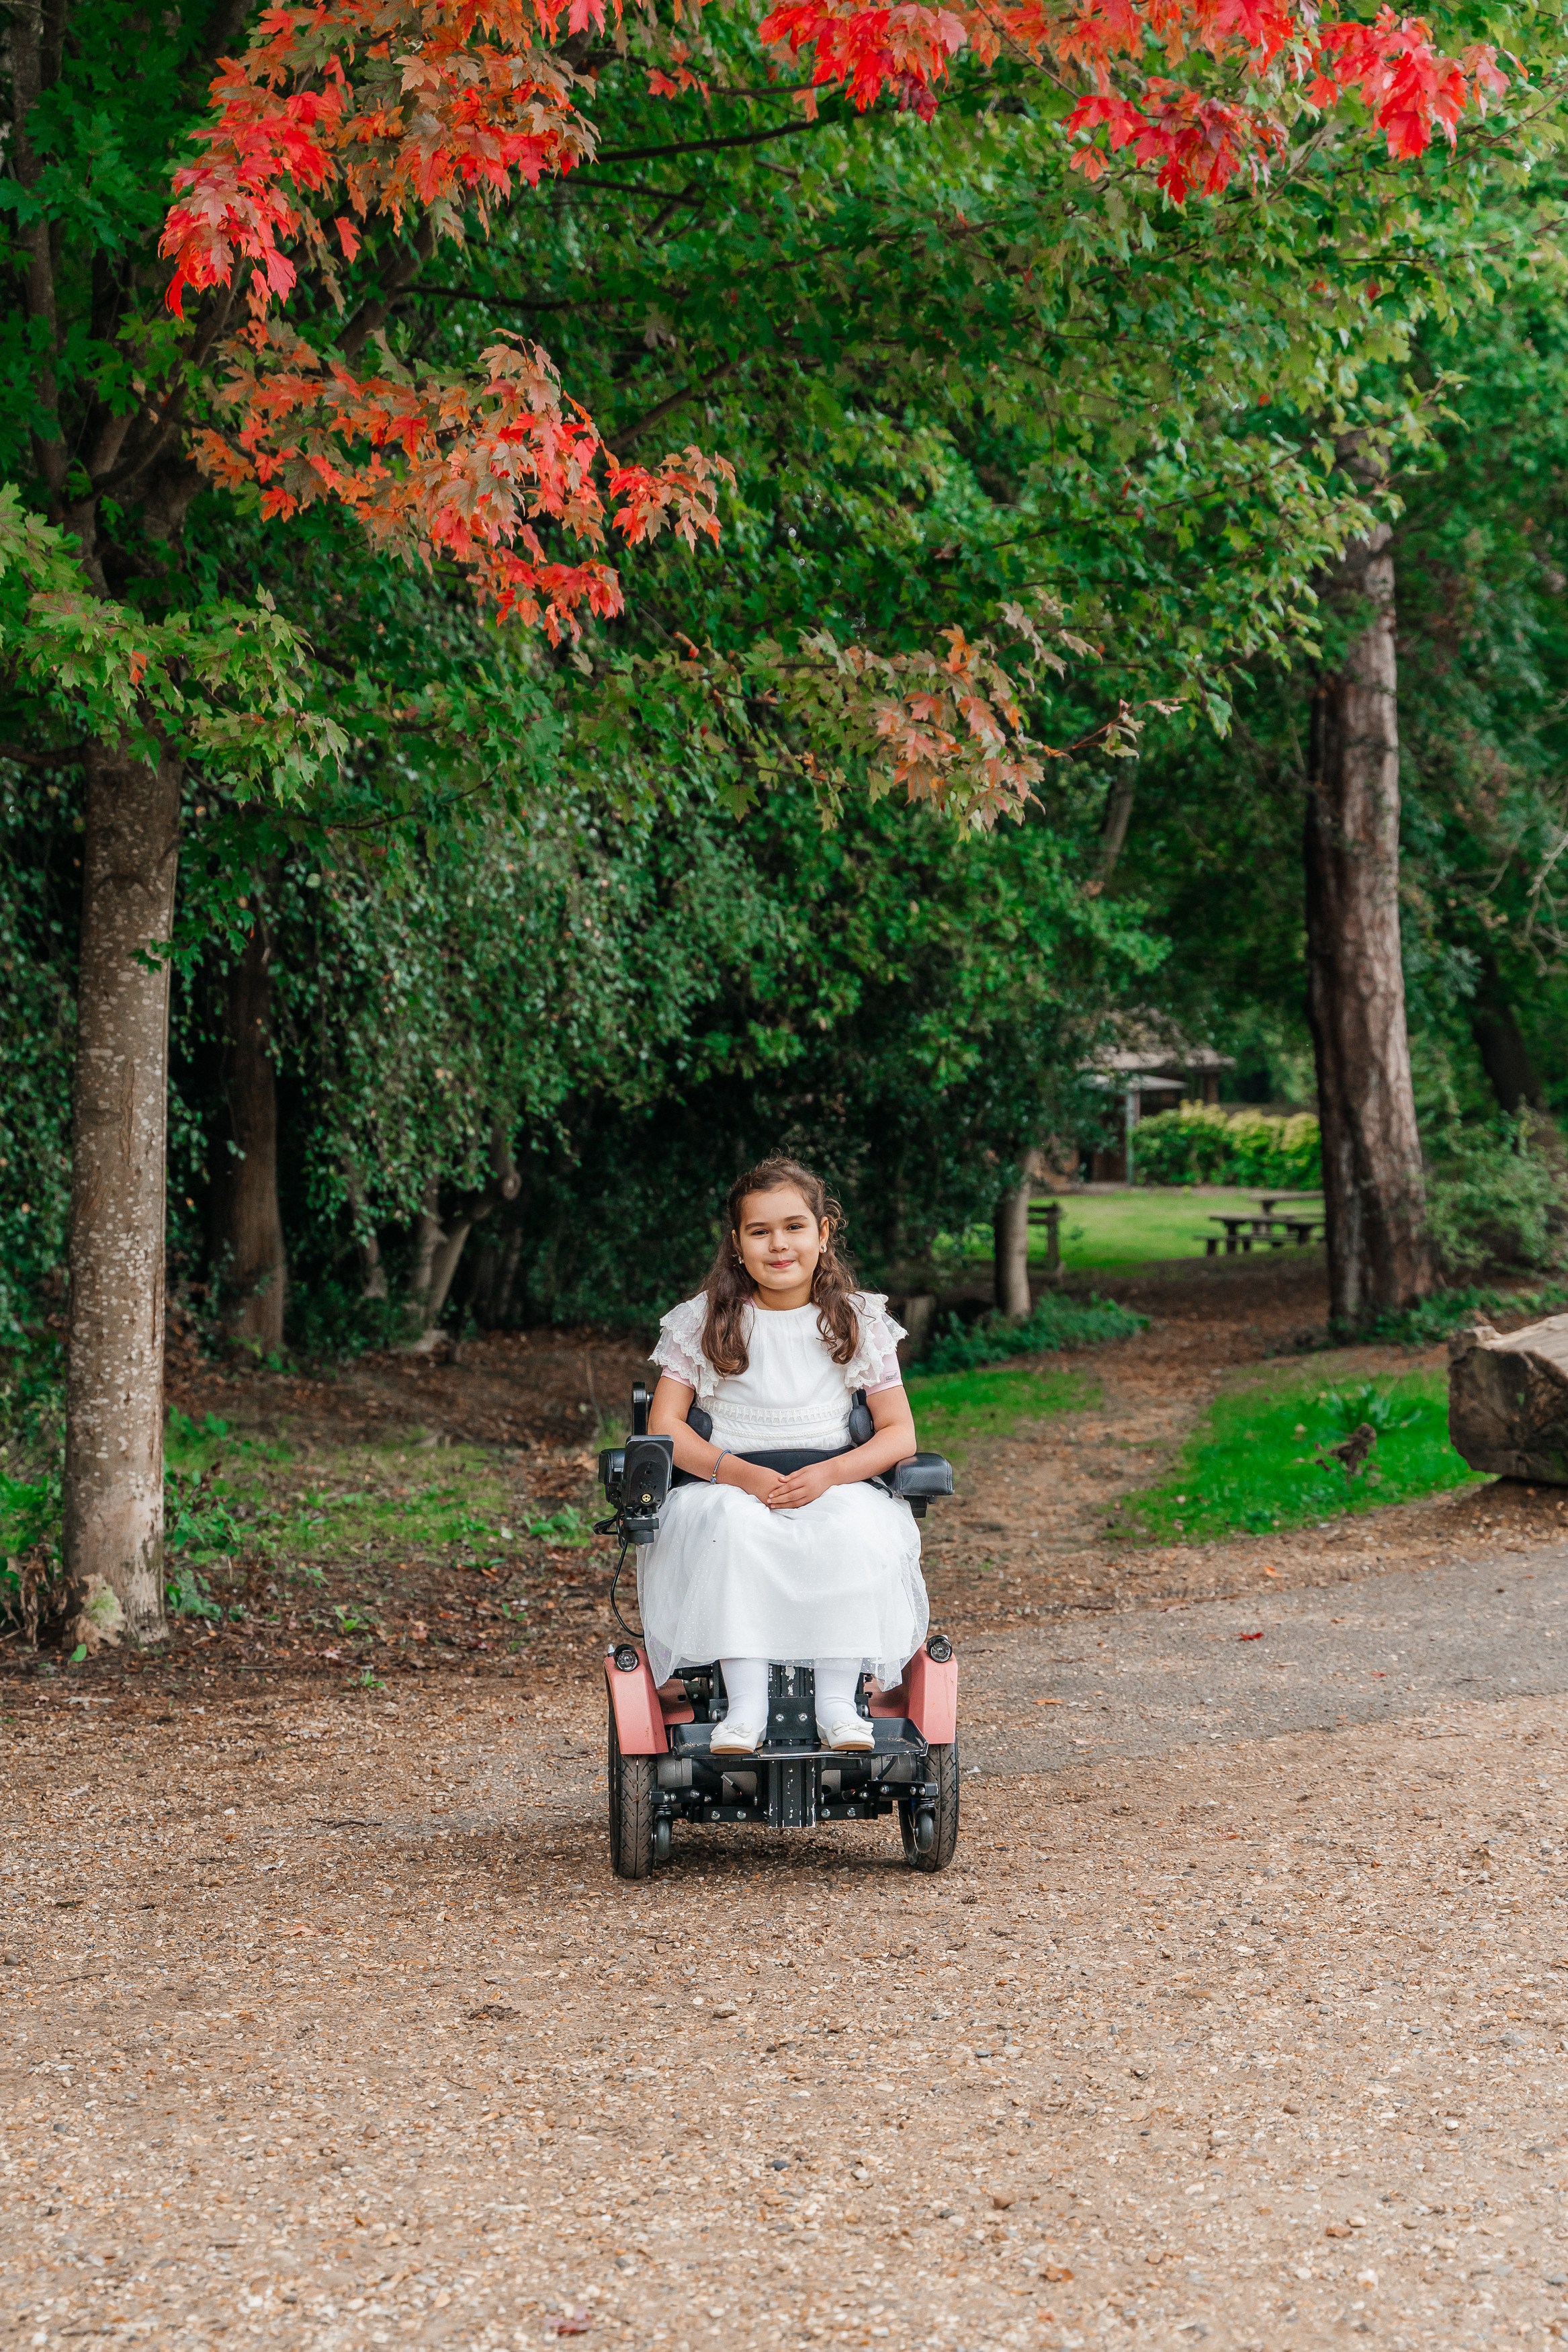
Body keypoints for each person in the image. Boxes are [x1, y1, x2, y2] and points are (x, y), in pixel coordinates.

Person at [640, 1154, 929, 1756]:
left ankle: (836, 1706)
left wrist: (832, 1474)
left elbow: (898, 1433)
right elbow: (665, 1423)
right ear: (737, 1244)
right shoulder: (704, 1322)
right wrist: (737, 1473)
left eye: (795, 1227)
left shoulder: (858, 1321)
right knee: (730, 1525)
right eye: (759, 1231)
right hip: (731, 1481)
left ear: (823, 1234)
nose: (779, 1244)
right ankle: (743, 1709)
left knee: (855, 1527)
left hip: (833, 1480)